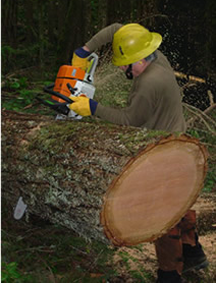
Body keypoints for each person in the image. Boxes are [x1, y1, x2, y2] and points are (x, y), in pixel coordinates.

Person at [69, 23, 208, 283]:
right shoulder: (156, 55)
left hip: (164, 154)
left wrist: (92, 107)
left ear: (141, 60)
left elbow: (129, 120)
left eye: (126, 64)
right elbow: (119, 29)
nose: (121, 68)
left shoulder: (148, 84)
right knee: (181, 200)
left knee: (161, 216)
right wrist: (86, 49)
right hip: (181, 146)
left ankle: (170, 275)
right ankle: (192, 252)